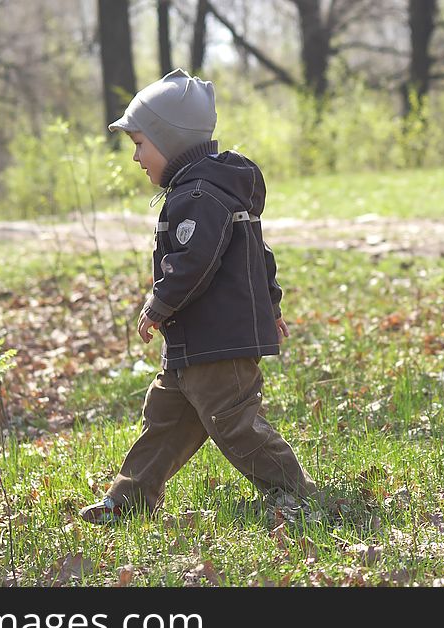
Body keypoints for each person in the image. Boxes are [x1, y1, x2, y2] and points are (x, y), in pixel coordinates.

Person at [80, 69, 316, 524]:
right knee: (164, 420)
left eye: (139, 144)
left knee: (233, 422)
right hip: (192, 344)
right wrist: (271, 303)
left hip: (218, 341)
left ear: (169, 142)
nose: (135, 157)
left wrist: (159, 304)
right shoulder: (203, 191)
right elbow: (256, 255)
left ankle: (294, 491)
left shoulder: (201, 195)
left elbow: (195, 262)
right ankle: (130, 498)